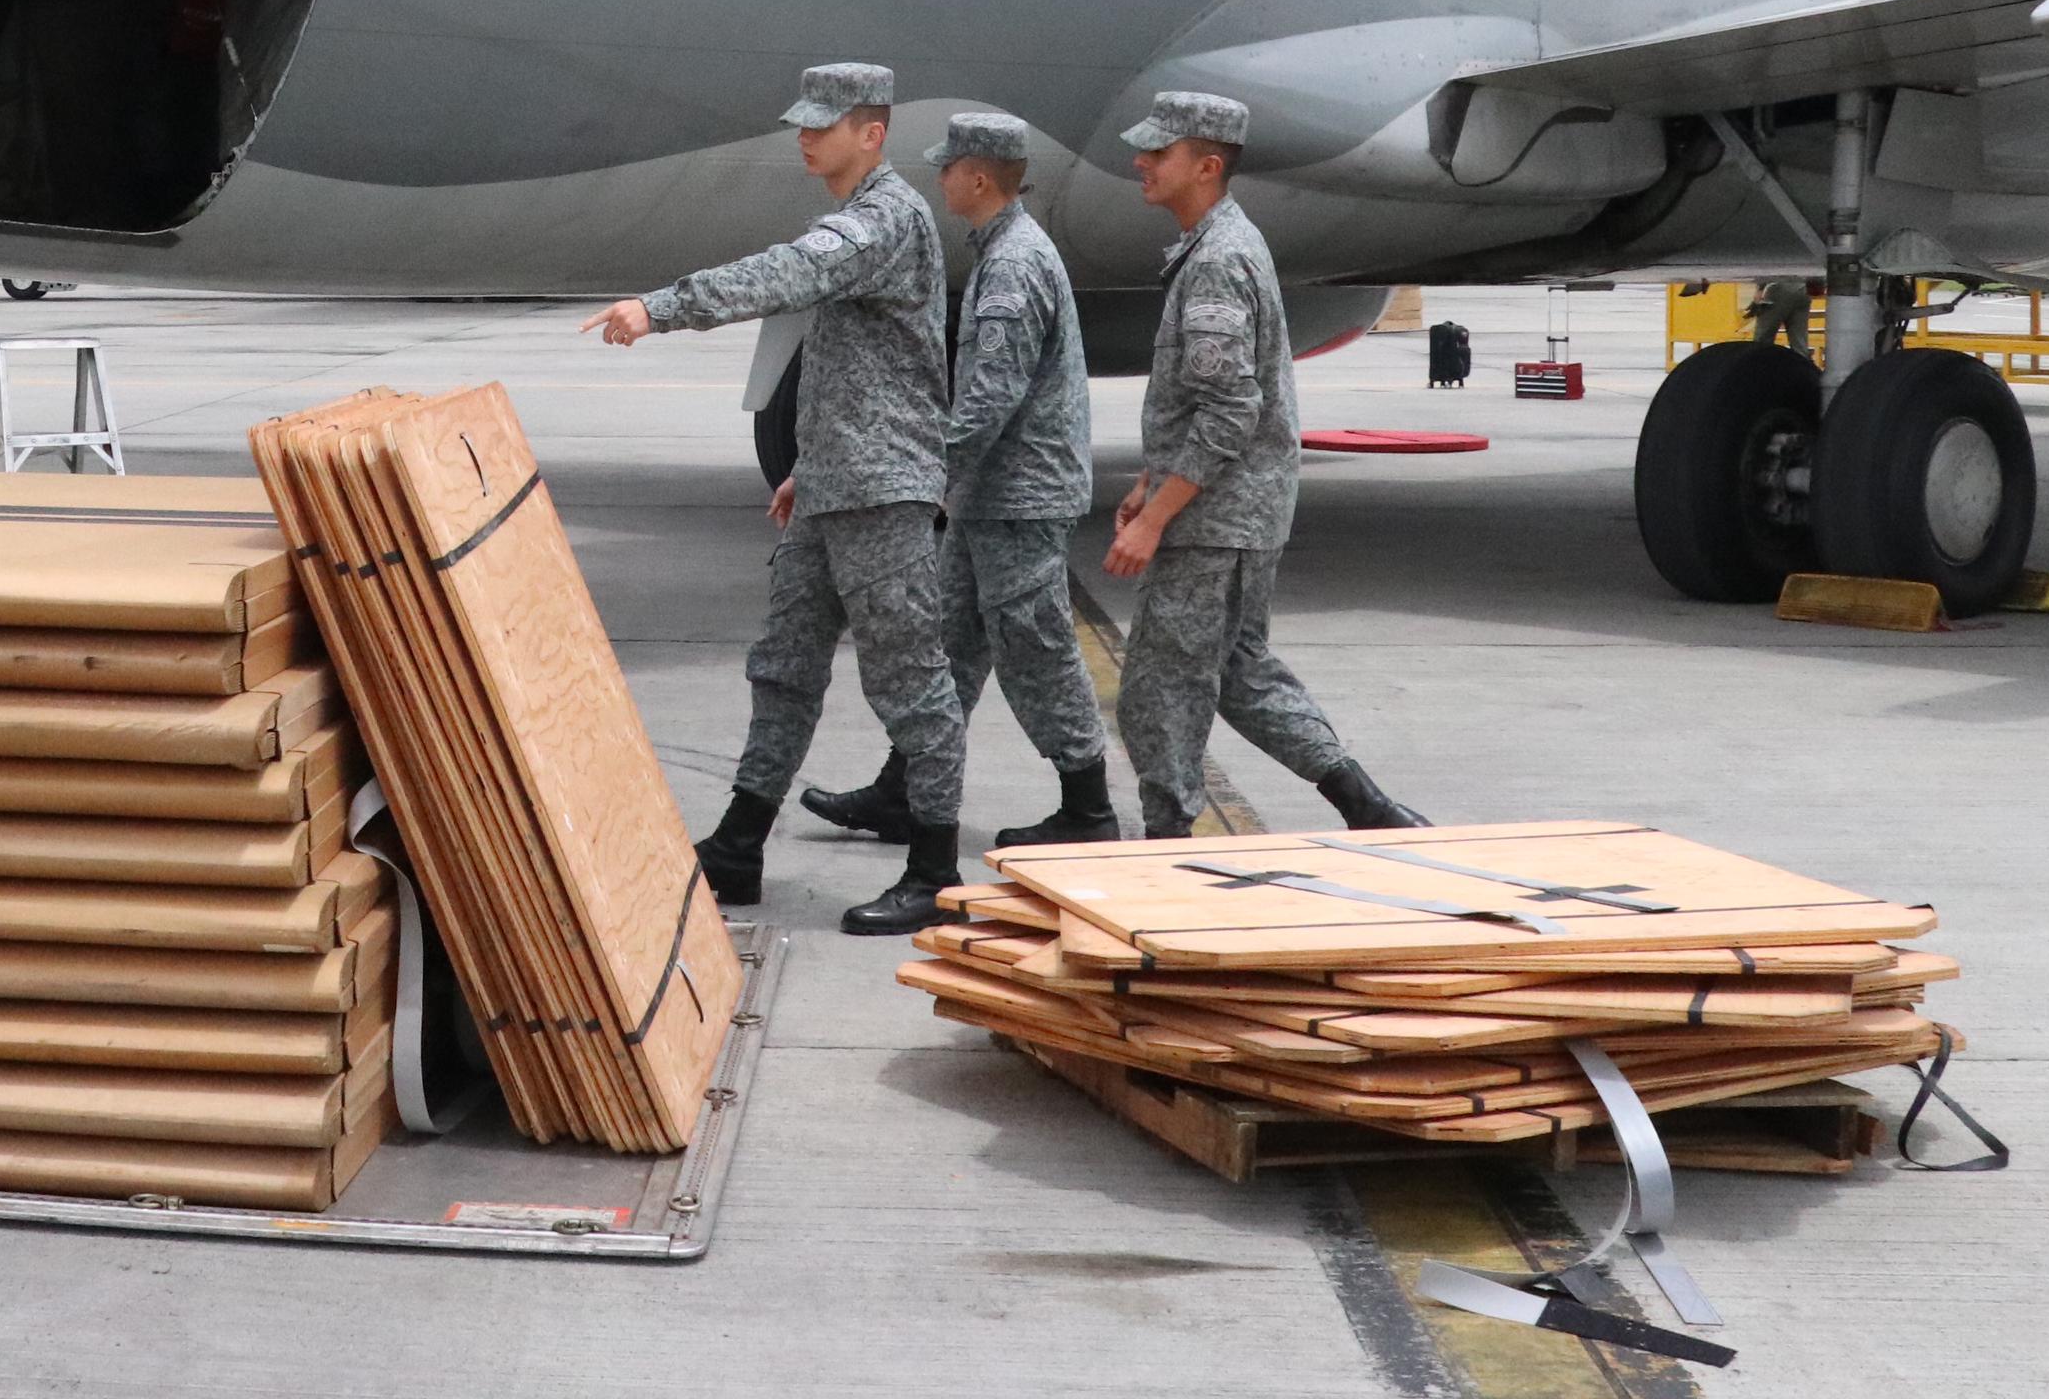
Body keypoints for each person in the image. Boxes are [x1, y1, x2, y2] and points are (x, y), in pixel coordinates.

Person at [586, 62, 967, 936]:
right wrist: (811, 463)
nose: (806, 137)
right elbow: (863, 368)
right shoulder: (860, 215)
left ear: (872, 133)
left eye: (824, 125)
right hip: (835, 484)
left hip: (882, 494)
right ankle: (739, 845)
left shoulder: (883, 218)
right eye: (804, 122)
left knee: (911, 683)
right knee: (784, 669)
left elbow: (787, 274)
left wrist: (661, 307)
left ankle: (935, 868)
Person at [1099, 90, 1424, 840]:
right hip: (1236, 509)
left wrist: (1155, 519)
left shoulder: (1217, 261)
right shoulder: (1218, 245)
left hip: (1217, 518)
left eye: (1160, 152)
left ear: (1207, 166)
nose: (1141, 162)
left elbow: (1229, 409)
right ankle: (1368, 807)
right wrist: (1148, 480)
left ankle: (1167, 839)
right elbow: (1203, 399)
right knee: (1238, 672)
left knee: (1158, 686)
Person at [801, 110, 1118, 853]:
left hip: (1021, 498)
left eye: (947, 167)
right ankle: (904, 791)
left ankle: (1088, 807)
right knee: (949, 644)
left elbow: (987, 399)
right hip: (991, 498)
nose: (939, 177)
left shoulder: (1013, 265)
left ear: (977, 178)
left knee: (1035, 646)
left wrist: (925, 472)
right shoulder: (999, 251)